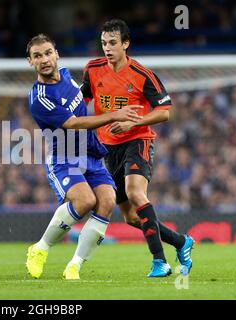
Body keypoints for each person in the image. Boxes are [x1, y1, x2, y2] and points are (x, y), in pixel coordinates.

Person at [80, 19, 194, 277]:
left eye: (112, 43)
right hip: (108, 148)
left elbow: (164, 112)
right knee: (131, 218)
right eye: (103, 43)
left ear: (126, 44)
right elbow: (82, 101)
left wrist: (134, 121)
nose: (107, 48)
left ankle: (159, 262)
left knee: (135, 193)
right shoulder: (93, 69)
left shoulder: (142, 75)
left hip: (137, 141)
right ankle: (181, 242)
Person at [25, 34, 143, 279]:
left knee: (108, 201)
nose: (44, 59)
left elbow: (85, 99)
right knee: (85, 201)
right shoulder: (40, 99)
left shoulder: (67, 75)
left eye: (48, 53)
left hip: (90, 154)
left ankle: (75, 265)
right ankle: (40, 249)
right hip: (64, 158)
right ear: (30, 62)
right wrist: (114, 115)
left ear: (57, 54)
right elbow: (74, 123)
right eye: (37, 56)